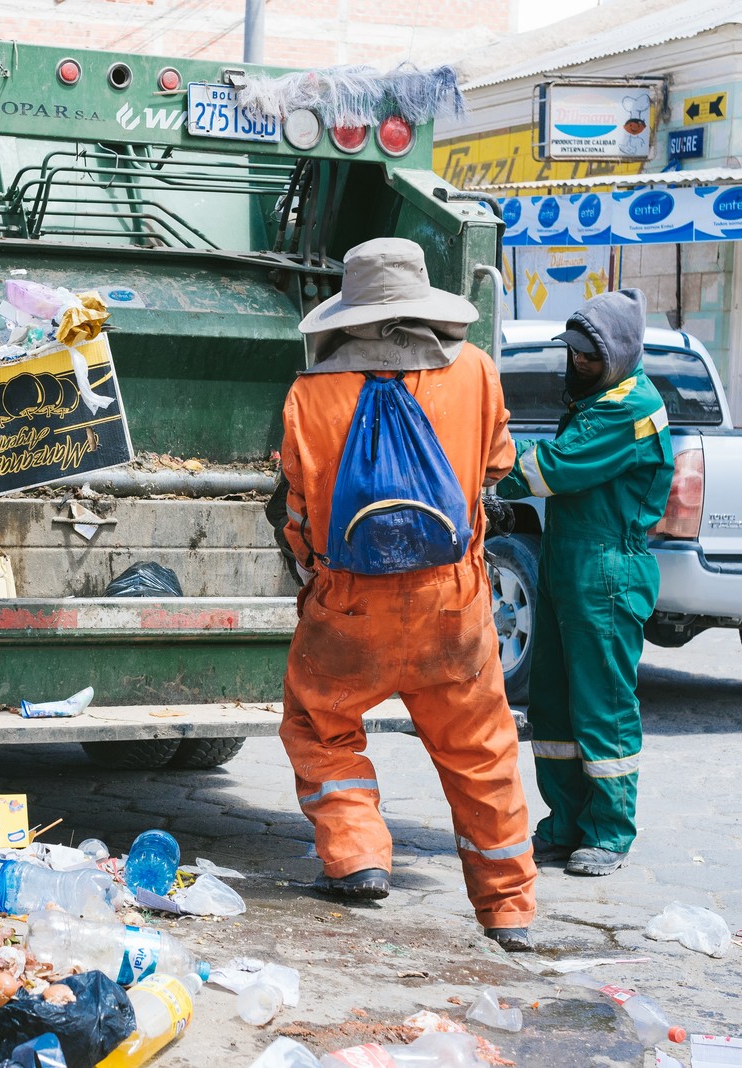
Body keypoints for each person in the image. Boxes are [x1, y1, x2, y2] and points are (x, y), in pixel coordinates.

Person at [277, 238, 537, 951]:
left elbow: (299, 509)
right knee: (482, 752)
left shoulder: (310, 391)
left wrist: (311, 568)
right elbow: (497, 468)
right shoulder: (477, 372)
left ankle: (358, 853)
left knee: (317, 725)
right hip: (452, 605)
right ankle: (508, 908)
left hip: (349, 605)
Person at [495, 289, 673, 877]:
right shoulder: (599, 397)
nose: (577, 363)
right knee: (553, 704)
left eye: (588, 355)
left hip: (607, 574)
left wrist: (487, 458)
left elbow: (555, 467)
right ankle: (565, 824)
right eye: (572, 352)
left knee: (602, 707)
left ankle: (609, 832)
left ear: (619, 352)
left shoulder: (629, 406)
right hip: (568, 567)